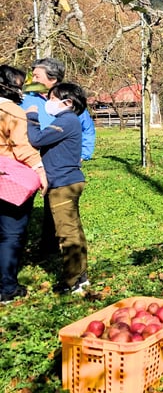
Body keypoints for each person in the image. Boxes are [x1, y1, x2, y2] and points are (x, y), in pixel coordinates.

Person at [21, 57, 95, 257]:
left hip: (57, 165)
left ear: (52, 79)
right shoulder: (27, 98)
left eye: (37, 76)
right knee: (22, 205)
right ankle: (19, 245)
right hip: (28, 161)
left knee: (54, 208)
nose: (32, 79)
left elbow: (87, 130)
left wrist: (82, 154)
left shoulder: (68, 101)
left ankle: (49, 248)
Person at [26, 82, 91, 295]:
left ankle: (72, 281)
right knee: (74, 230)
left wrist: (32, 116)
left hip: (63, 183)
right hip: (68, 181)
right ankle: (81, 276)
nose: (48, 102)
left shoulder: (66, 120)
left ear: (68, 102)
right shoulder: (67, 120)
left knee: (67, 232)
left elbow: (36, 139)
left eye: (53, 98)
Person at [0, 65, 48, 304]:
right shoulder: (10, 110)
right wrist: (40, 169)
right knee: (11, 233)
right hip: (8, 179)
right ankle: (7, 288)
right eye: (20, 84)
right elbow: (22, 146)